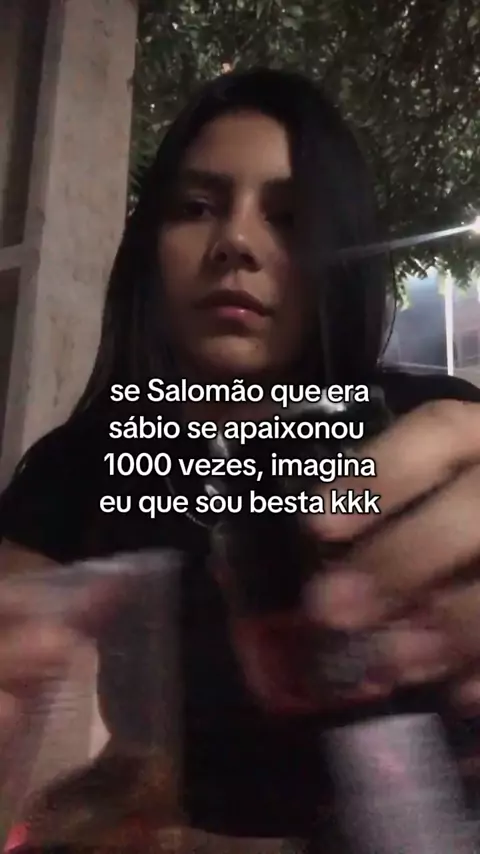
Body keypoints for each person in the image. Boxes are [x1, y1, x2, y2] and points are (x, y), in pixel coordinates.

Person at [2, 66, 480, 849]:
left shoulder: (425, 421)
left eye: (289, 218)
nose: (236, 244)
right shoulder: (82, 466)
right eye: (196, 207)